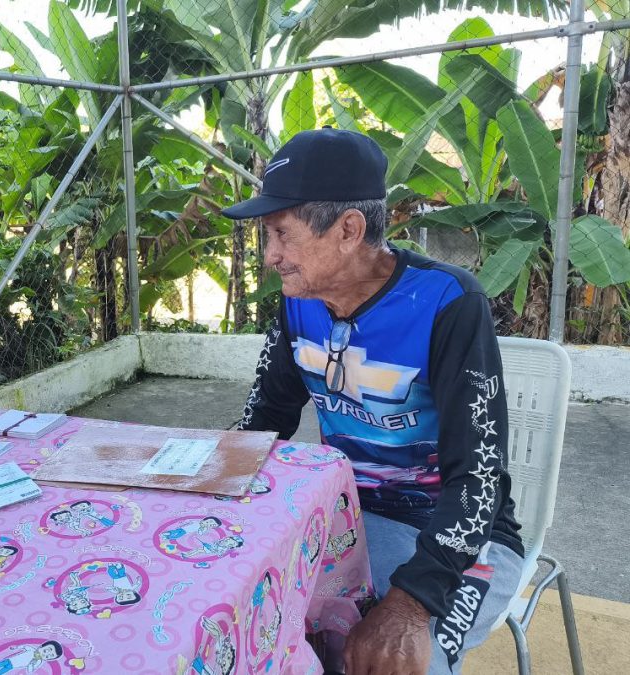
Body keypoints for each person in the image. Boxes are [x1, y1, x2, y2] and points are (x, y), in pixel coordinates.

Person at [221, 128, 524, 675]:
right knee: (241, 622)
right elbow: (262, 422)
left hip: (458, 541)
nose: (270, 256)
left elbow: (477, 479)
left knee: (401, 663)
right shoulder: (299, 305)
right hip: (340, 521)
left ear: (348, 230)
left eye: (281, 234)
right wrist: (200, 489)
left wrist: (410, 603)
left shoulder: (446, 304)